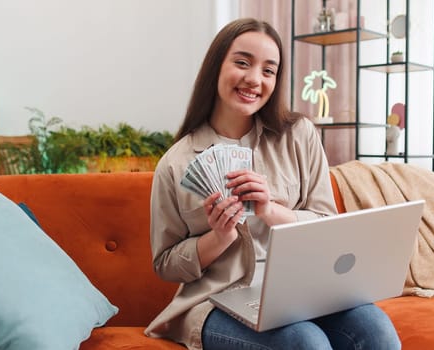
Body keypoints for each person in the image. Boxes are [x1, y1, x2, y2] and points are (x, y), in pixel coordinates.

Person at [145, 18, 401, 350]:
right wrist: (219, 237)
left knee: (376, 330)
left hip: (302, 290)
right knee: (304, 343)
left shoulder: (299, 136)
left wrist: (271, 211)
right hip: (218, 300)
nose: (254, 79)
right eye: (242, 63)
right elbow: (165, 263)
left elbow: (327, 223)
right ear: (215, 67)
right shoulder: (176, 163)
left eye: (269, 70)